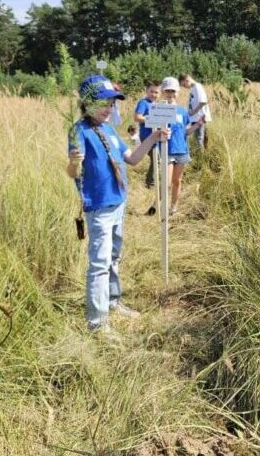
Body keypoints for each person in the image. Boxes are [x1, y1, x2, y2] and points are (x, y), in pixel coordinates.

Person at [66, 74, 170, 333]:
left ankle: (113, 302)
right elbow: (73, 172)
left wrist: (153, 138)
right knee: (99, 264)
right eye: (103, 103)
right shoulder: (79, 131)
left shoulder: (109, 129)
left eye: (111, 104)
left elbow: (132, 158)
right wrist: (72, 162)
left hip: (118, 203)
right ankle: (97, 323)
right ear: (87, 102)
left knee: (113, 258)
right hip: (99, 207)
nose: (108, 108)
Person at [159, 76, 203, 215]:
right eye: (167, 91)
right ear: (163, 92)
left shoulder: (183, 112)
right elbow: (154, 131)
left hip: (181, 150)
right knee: (166, 182)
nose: (170, 94)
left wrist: (197, 125)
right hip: (167, 150)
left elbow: (185, 132)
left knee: (177, 180)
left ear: (178, 92)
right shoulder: (158, 109)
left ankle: (173, 206)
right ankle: (159, 205)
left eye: (173, 91)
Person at [133, 80, 161, 201]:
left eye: (156, 92)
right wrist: (151, 119)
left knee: (156, 158)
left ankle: (151, 180)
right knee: (156, 158)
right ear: (146, 91)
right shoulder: (143, 103)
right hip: (146, 136)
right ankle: (151, 182)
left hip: (155, 135)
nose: (154, 94)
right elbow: (137, 117)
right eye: (151, 91)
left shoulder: (157, 104)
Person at [179, 73, 211, 150]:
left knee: (199, 139)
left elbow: (203, 101)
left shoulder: (197, 87)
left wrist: (193, 112)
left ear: (187, 80)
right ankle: (201, 156)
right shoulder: (193, 88)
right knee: (199, 139)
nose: (184, 87)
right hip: (196, 118)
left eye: (183, 85)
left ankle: (201, 158)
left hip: (199, 118)